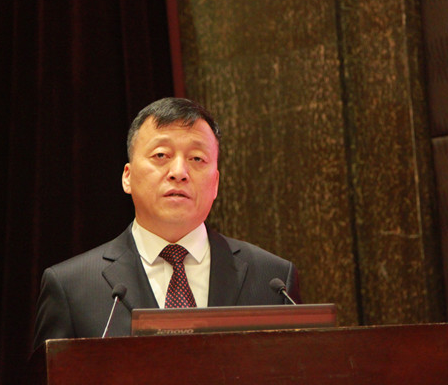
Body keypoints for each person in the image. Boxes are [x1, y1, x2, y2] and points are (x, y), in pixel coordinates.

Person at [33, 97, 301, 349]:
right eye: (161, 155)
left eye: (197, 159)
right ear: (127, 176)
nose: (179, 172)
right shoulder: (72, 287)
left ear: (216, 183)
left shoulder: (272, 281)